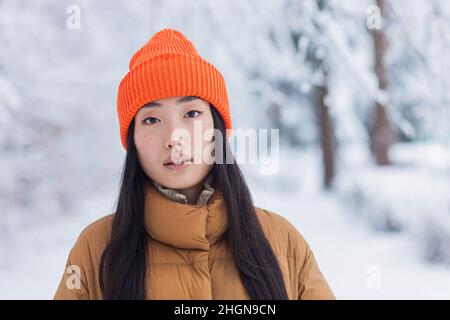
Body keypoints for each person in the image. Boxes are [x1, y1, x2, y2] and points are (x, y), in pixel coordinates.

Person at [53, 28, 335, 300]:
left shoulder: (282, 242)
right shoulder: (95, 251)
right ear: (133, 140)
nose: (175, 137)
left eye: (191, 113)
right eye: (151, 119)